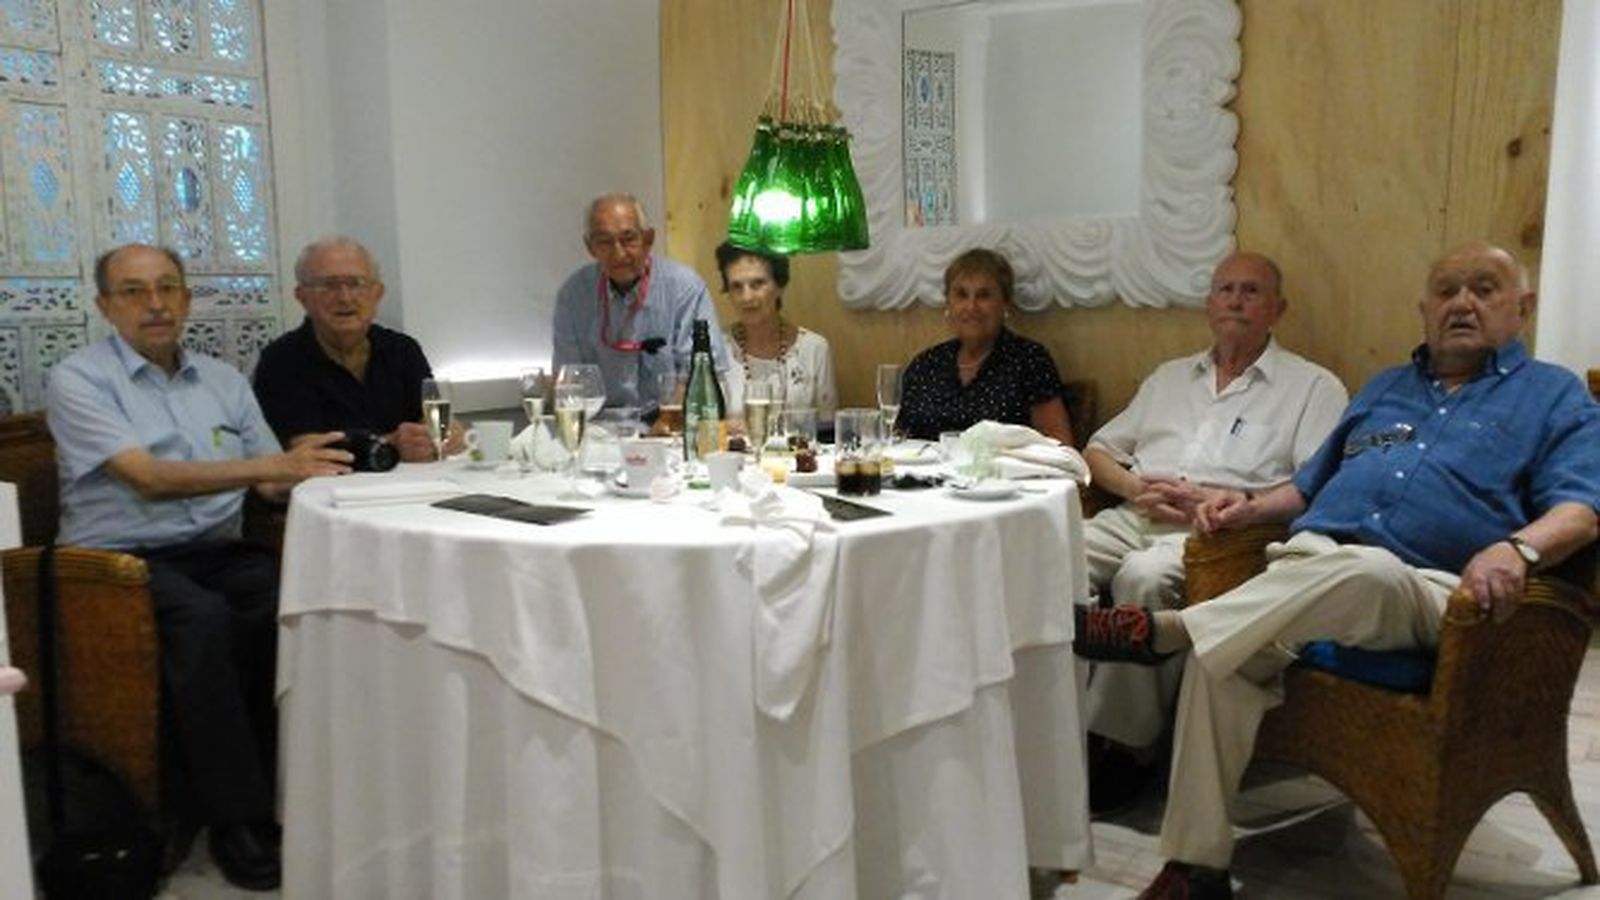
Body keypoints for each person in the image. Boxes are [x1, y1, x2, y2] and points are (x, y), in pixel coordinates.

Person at [1075, 241, 1600, 900]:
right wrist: (1248, 508)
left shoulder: (1555, 397)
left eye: (1484, 288)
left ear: (1522, 307)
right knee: (1222, 661)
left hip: (1432, 588)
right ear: (1424, 309)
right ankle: (1194, 868)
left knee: (1363, 570)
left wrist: (1517, 550)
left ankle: (1173, 629)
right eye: (1447, 290)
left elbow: (1583, 510)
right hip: (1307, 568)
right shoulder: (1386, 389)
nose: (1463, 303)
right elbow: (1305, 489)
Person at [47, 244, 352, 891]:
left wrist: (326, 463)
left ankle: (298, 791)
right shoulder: (79, 380)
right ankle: (236, 819)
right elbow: (147, 477)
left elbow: (272, 481)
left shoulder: (222, 380)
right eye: (134, 291)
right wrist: (270, 466)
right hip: (116, 563)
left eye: (167, 288)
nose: (155, 304)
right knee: (203, 619)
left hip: (217, 549)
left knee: (292, 602)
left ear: (187, 299)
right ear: (105, 306)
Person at [1080, 252, 1347, 812]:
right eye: (1225, 289)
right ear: (1208, 303)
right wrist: (1134, 487)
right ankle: (1051, 719)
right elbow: (1098, 450)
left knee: (1144, 577)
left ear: (1278, 309)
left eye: (1251, 291)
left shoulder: (1312, 387)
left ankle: (1125, 746)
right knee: (1051, 556)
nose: (1235, 300)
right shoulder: (1169, 377)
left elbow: (1315, 486)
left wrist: (1229, 504)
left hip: (1221, 534)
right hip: (1136, 512)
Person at [253, 235, 460, 462]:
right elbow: (304, 449)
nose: (345, 297)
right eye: (329, 285)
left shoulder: (403, 350)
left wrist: (444, 434)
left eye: (356, 284)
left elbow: (433, 418)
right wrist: (390, 445)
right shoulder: (280, 361)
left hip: (415, 480)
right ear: (302, 297)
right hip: (328, 483)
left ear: (377, 294)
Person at [551, 193, 728, 413]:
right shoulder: (573, 296)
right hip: (600, 423)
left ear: (648, 239)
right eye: (604, 242)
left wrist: (667, 422)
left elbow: (699, 377)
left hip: (669, 419)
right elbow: (568, 382)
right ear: (590, 247)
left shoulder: (685, 288)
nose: (618, 253)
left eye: (628, 239)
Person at [897, 248, 1073, 444]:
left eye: (984, 295)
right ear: (948, 304)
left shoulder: (1030, 360)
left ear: (1005, 304)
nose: (971, 307)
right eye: (961, 295)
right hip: (927, 464)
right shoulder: (925, 365)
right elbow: (897, 438)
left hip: (1002, 465)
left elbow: (1059, 443)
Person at [715, 241, 837, 425]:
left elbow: (827, 426)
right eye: (737, 286)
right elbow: (700, 425)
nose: (746, 297)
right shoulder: (716, 348)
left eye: (757, 284)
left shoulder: (814, 348)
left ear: (780, 286)